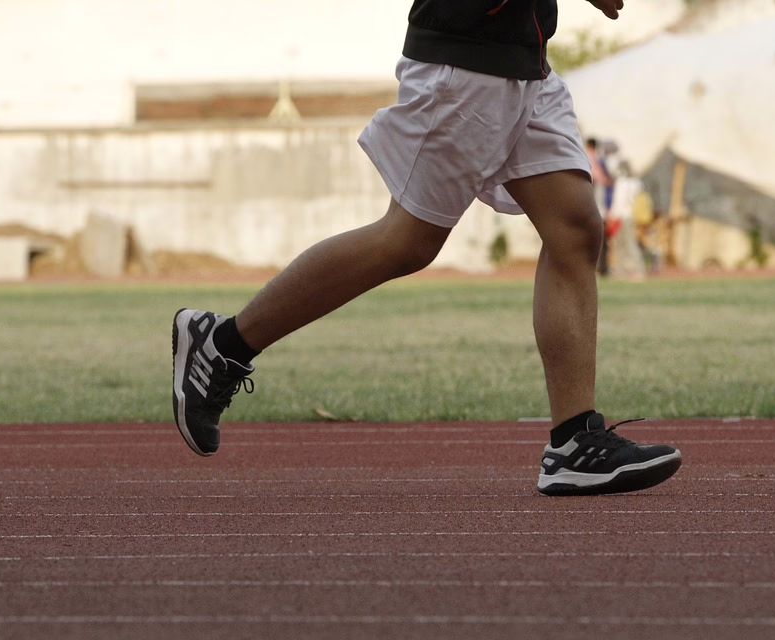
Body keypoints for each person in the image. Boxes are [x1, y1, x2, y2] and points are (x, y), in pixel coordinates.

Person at [172, 0, 681, 496]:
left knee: (575, 228)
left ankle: (574, 441)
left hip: (526, 63)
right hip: (466, 60)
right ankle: (223, 345)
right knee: (408, 239)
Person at [607, 160, 647, 281]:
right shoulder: (637, 183)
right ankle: (624, 271)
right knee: (627, 244)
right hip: (630, 216)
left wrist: (612, 215)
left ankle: (633, 271)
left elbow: (618, 201)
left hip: (621, 217)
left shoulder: (621, 183)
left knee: (623, 245)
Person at [585, 137, 613, 277]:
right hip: (597, 210)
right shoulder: (596, 162)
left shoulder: (586, 159)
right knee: (600, 240)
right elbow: (604, 181)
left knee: (593, 240)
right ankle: (602, 268)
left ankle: (597, 268)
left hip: (591, 209)